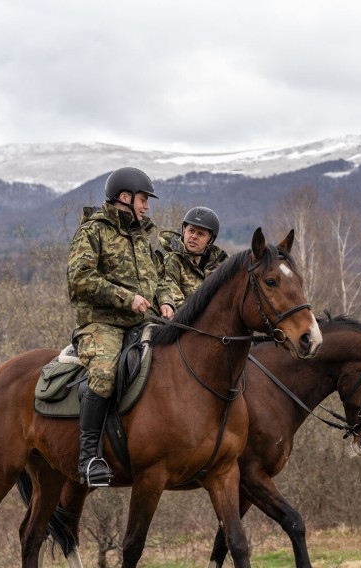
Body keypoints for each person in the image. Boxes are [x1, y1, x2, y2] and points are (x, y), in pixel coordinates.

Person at [66, 166, 163, 487]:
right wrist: (125, 298)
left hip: (142, 322)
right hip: (100, 324)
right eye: (143, 199)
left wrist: (166, 301)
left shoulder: (141, 238)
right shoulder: (93, 231)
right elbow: (79, 278)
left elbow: (157, 280)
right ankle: (89, 457)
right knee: (105, 375)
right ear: (125, 197)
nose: (147, 205)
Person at [157, 206, 228, 318]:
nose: (193, 237)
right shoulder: (172, 260)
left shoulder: (220, 267)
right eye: (191, 231)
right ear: (184, 231)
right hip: (182, 325)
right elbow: (176, 302)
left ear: (210, 240)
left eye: (200, 234)